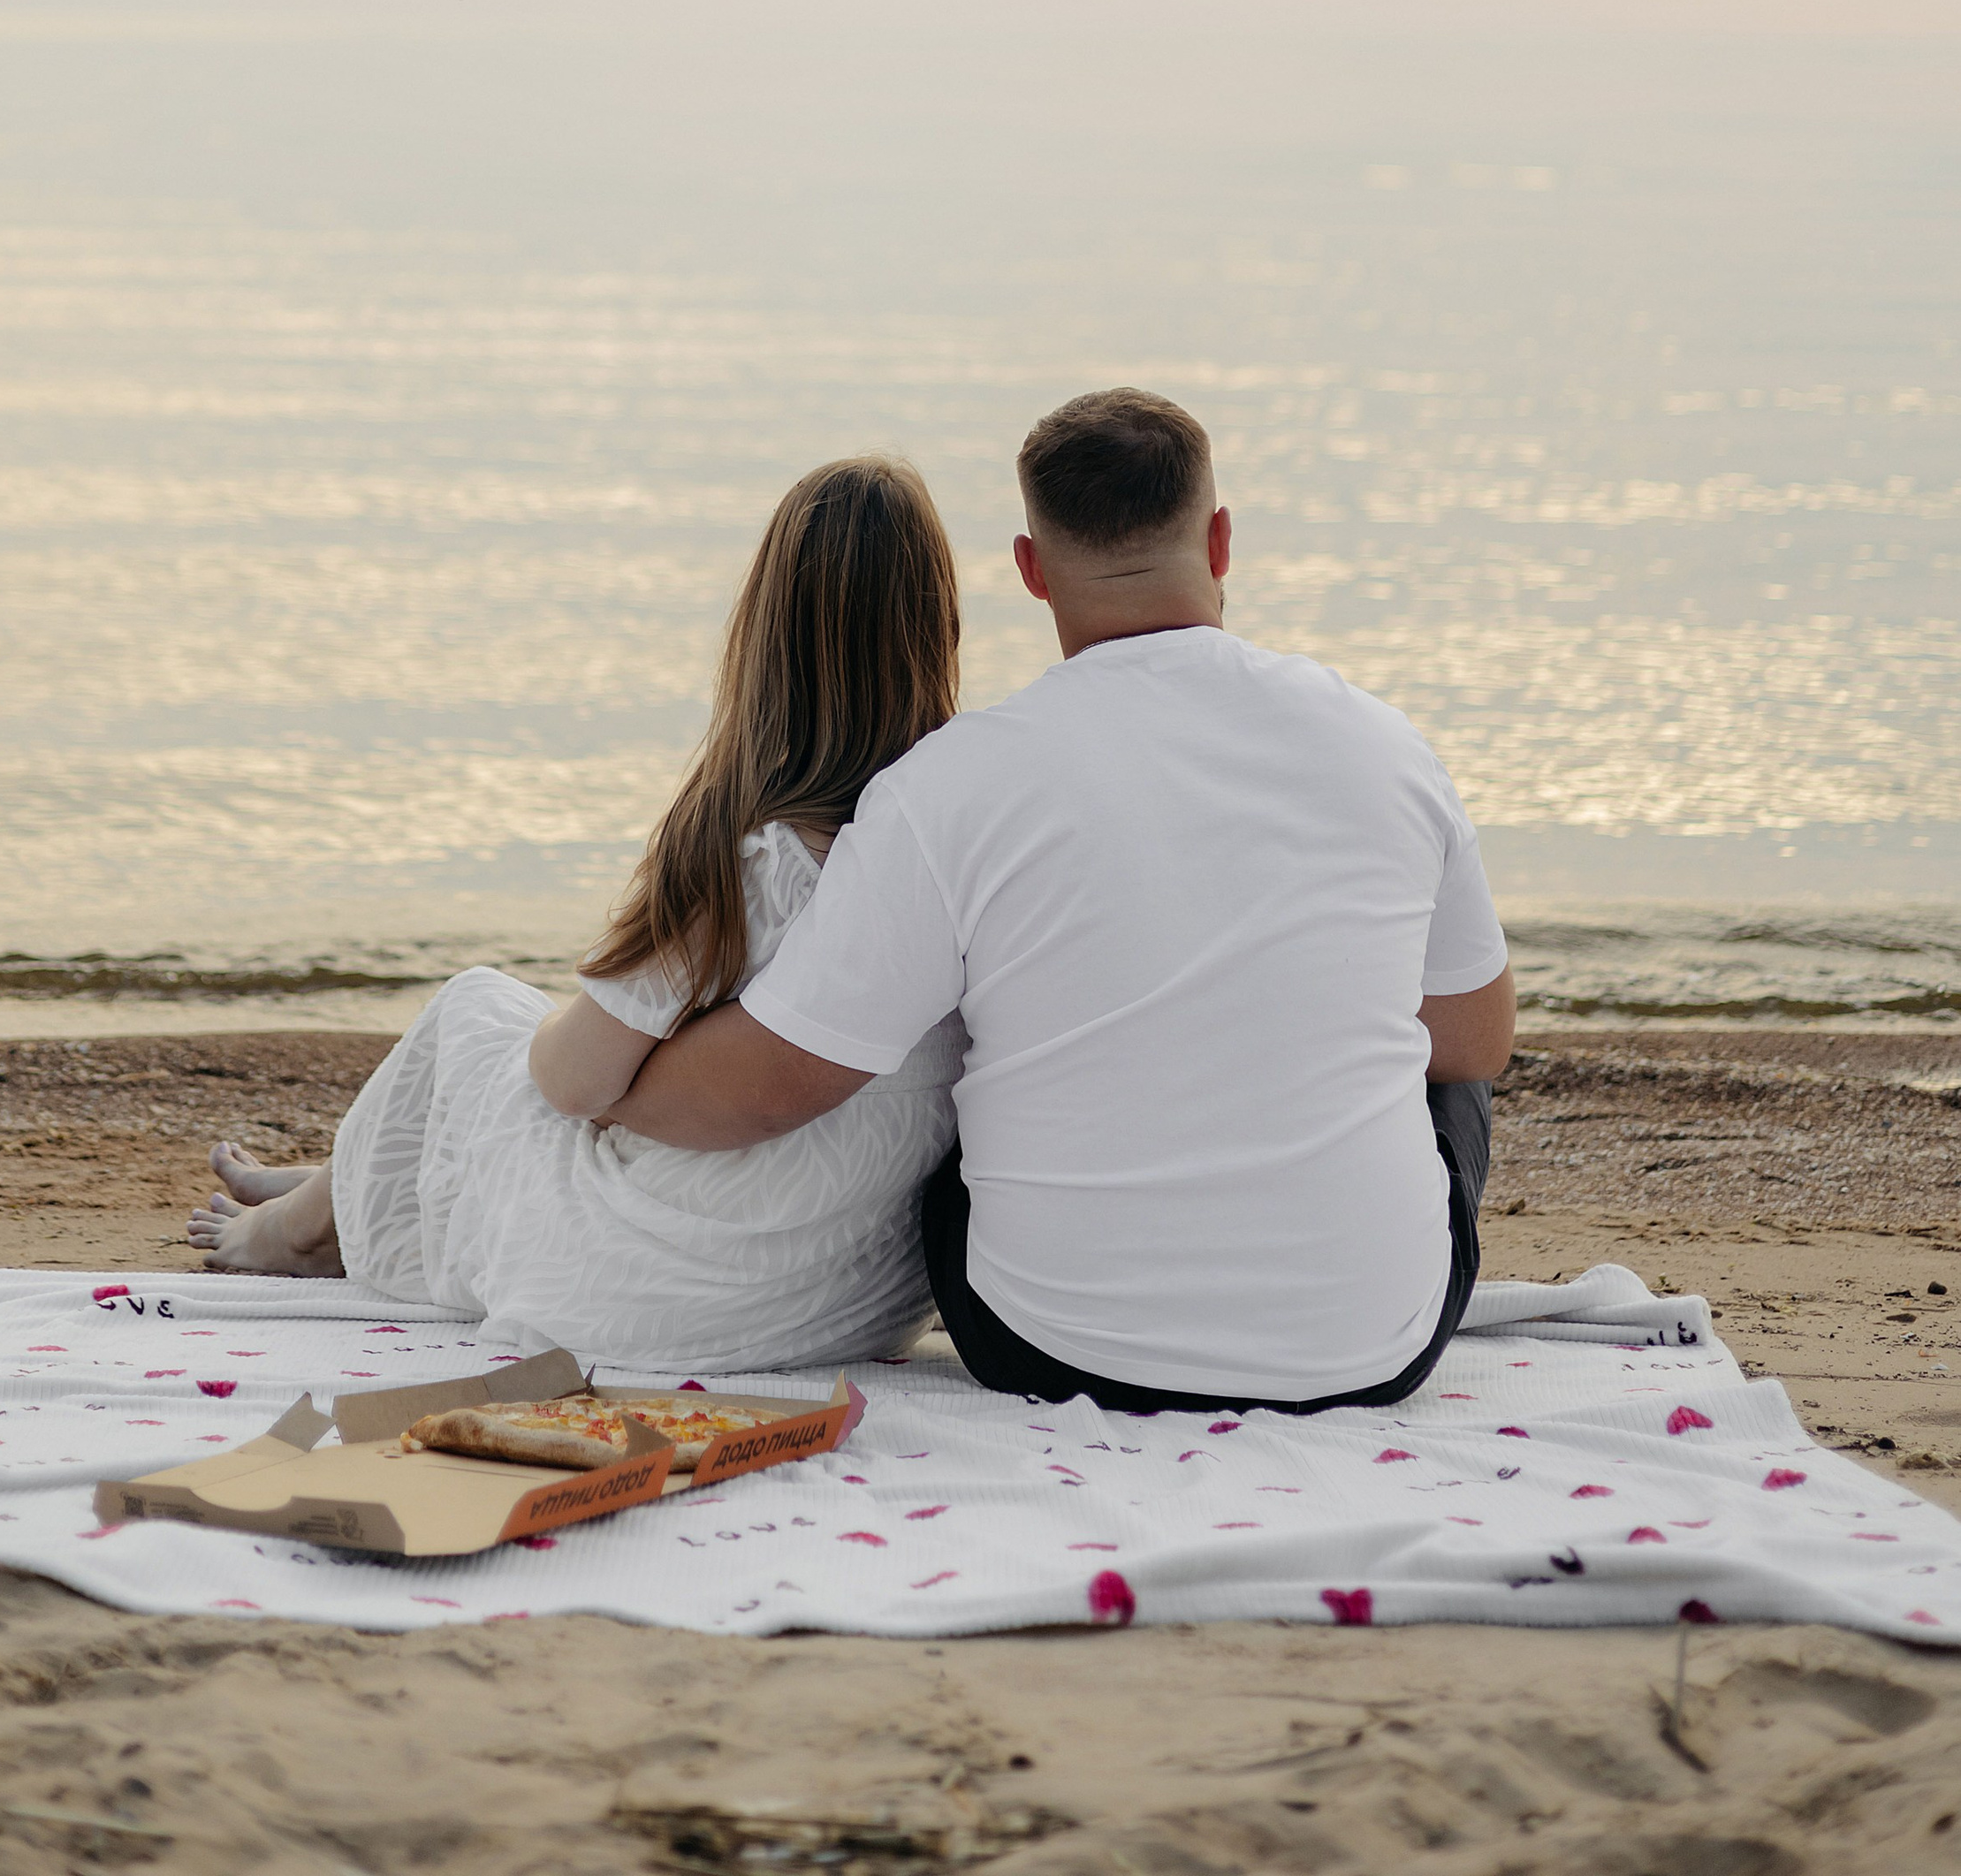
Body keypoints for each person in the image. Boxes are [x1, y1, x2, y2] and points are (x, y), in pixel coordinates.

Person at [612, 388, 1515, 1413]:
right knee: (1437, 1054)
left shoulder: (947, 785)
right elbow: (1476, 1040)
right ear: (1220, 541)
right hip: (1373, 1351)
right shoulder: (1385, 746)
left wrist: (613, 1088)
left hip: (1056, 1348)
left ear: (1031, 570)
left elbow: (774, 1082)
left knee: (972, 1047)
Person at [186, 456, 964, 1373]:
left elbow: (568, 1084)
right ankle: (342, 1180)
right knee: (522, 1059)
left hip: (667, 1295)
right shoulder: (954, 847)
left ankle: (305, 1228)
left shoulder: (747, 857)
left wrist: (630, 1089)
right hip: (853, 1299)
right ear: (939, 628)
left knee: (477, 1009)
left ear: (764, 635)